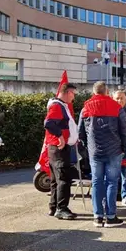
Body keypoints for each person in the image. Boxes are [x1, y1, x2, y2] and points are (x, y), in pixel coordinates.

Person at [79, 81, 126, 228]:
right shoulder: (116, 107)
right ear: (107, 92)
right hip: (114, 150)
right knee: (112, 182)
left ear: (94, 92)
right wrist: (125, 148)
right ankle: (111, 216)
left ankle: (97, 216)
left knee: (96, 182)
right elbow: (124, 130)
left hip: (95, 151)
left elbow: (80, 132)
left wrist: (86, 148)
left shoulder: (86, 108)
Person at [44, 83, 79, 219]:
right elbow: (48, 123)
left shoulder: (58, 105)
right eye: (73, 94)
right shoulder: (57, 106)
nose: (74, 98)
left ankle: (54, 207)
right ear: (68, 92)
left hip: (55, 147)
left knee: (55, 180)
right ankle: (61, 208)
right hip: (59, 147)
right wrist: (60, 136)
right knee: (64, 178)